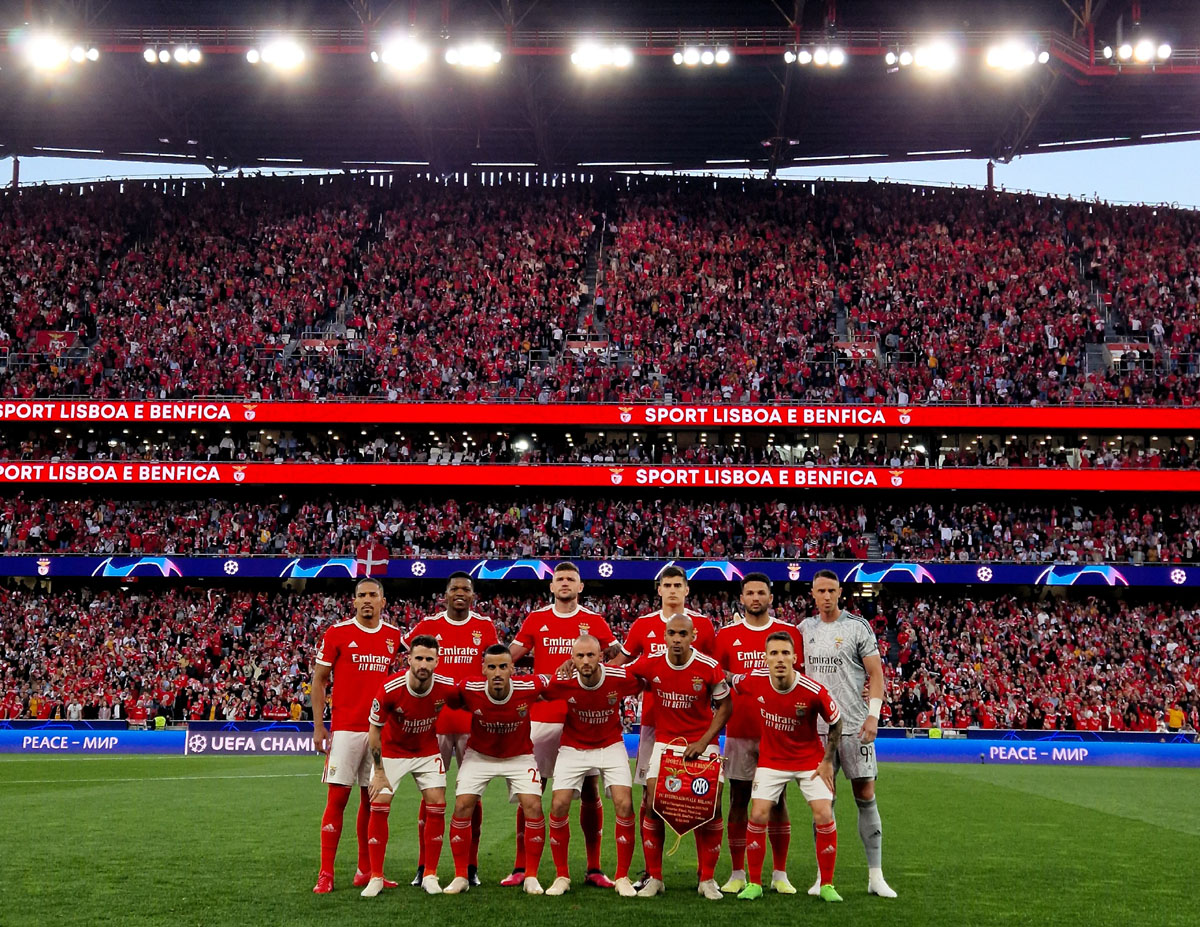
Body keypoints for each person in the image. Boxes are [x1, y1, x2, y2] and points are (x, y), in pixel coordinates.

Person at [507, 562, 618, 888]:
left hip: (581, 719)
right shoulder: (536, 619)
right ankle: (520, 867)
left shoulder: (594, 621)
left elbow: (615, 656)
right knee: (532, 790)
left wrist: (599, 684)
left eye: (571, 579)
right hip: (542, 717)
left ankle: (594, 867)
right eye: (560, 579)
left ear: (581, 587)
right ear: (552, 587)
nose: (565, 583)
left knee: (588, 789)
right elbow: (509, 656)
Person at [800, 569, 896, 898]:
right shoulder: (803, 630)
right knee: (823, 803)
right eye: (820, 590)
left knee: (866, 796)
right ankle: (821, 877)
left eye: (831, 590)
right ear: (812, 593)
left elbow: (876, 674)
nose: (826, 596)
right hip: (817, 730)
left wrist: (873, 716)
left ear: (840, 591)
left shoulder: (857, 627)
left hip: (855, 726)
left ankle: (876, 876)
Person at [729, 632, 844, 902]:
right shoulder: (754, 680)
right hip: (772, 760)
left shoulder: (814, 691)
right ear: (765, 658)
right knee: (757, 814)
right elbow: (727, 677)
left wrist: (827, 761)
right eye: (774, 653)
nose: (779, 659)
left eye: (785, 653)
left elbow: (837, 722)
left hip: (809, 761)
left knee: (824, 812)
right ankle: (755, 883)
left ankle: (826, 884)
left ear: (795, 658)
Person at [402, 572, 498, 888]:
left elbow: (496, 667)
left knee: (473, 796)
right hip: (435, 723)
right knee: (431, 796)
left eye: (465, 589)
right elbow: (409, 660)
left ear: (473, 595)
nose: (459, 593)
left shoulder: (485, 627)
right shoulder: (429, 625)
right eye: (454, 588)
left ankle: (470, 867)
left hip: (473, 724)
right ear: (445, 594)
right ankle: (423, 866)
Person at [627, 613, 732, 900]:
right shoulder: (651, 663)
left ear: (693, 636)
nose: (676, 639)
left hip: (701, 744)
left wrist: (704, 741)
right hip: (664, 743)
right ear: (664, 636)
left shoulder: (709, 667)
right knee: (652, 803)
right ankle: (655, 877)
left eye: (682, 634)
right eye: (671, 633)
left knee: (712, 806)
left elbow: (725, 707)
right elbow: (624, 674)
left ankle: (707, 879)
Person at [311, 577, 404, 894]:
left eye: (372, 595)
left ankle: (366, 870)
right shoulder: (337, 633)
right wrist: (319, 725)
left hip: (380, 731)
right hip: (346, 729)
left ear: (382, 600)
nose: (367, 600)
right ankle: (326, 873)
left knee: (373, 799)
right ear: (354, 601)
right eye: (361, 595)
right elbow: (320, 680)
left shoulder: (394, 636)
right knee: (337, 799)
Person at [713, 572, 804, 896]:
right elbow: (716, 676)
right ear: (741, 598)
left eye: (761, 592)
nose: (755, 597)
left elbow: (798, 681)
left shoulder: (788, 633)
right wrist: (740, 679)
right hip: (739, 730)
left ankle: (779, 873)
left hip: (776, 734)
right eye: (749, 592)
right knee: (738, 799)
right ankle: (738, 872)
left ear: (770, 597)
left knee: (778, 801)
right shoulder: (726, 635)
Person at [442, 645, 552, 896]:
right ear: (483, 670)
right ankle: (461, 875)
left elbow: (555, 683)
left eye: (503, 666)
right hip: (480, 755)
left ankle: (531, 876)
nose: (498, 672)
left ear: (513, 668)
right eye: (492, 667)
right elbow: (447, 694)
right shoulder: (470, 688)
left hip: (519, 756)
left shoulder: (529, 686)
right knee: (462, 805)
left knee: (533, 805)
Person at [543, 635, 644, 897]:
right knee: (558, 804)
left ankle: (622, 876)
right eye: (580, 656)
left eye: (591, 655)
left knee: (624, 803)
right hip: (573, 746)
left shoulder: (618, 677)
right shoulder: (562, 681)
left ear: (601, 656)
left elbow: (645, 680)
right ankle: (561, 875)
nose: (586, 661)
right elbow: (540, 693)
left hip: (610, 745)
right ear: (572, 659)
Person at [362, 634, 457, 897]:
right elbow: (374, 730)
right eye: (419, 658)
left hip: (427, 751)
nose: (423, 664)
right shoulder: (390, 688)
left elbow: (470, 699)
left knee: (437, 804)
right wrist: (379, 772)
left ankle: (430, 874)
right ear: (409, 659)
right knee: (379, 804)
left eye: (429, 659)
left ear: (437, 661)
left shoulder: (446, 687)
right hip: (392, 752)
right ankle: (376, 877)